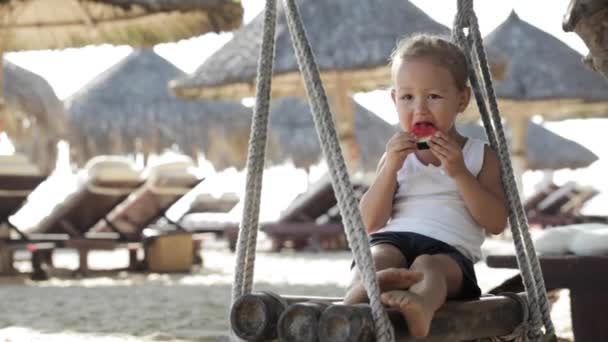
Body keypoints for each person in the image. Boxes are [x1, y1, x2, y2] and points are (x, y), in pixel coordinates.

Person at [343, 34, 508, 338]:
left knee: (428, 266)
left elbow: (496, 223)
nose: (420, 109)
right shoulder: (395, 156)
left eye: (433, 96)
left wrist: (459, 173)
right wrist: (390, 168)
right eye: (407, 97)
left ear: (462, 99)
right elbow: (368, 222)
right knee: (377, 257)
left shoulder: (478, 155)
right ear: (394, 99)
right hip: (392, 238)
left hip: (449, 252)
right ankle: (358, 293)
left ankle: (421, 305)